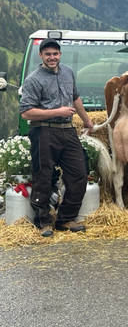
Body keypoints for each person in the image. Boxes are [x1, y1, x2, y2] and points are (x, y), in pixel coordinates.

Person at [19, 38, 95, 237]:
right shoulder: (33, 79)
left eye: (55, 54)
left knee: (79, 174)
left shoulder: (68, 72)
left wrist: (86, 120)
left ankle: (65, 219)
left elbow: (75, 97)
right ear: (41, 56)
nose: (52, 57)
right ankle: (44, 222)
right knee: (44, 176)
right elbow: (26, 113)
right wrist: (56, 111)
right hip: (44, 131)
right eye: (48, 54)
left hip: (68, 130)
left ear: (60, 54)